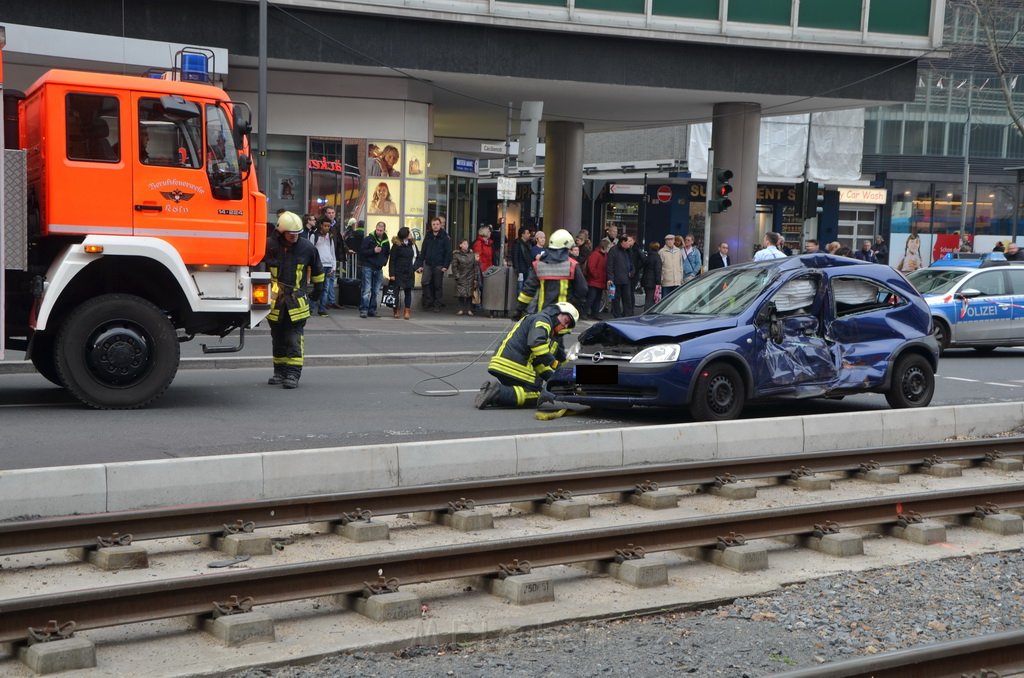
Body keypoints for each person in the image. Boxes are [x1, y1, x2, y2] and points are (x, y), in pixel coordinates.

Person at [474, 302, 579, 410]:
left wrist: (552, 378)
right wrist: (554, 363)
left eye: (568, 325)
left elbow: (538, 361)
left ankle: (495, 396)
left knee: (527, 390)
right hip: (513, 364)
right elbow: (537, 344)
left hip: (505, 363)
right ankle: (497, 391)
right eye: (566, 321)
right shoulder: (543, 320)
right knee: (536, 393)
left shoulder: (542, 323)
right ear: (557, 312)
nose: (565, 326)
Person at [262, 211, 324, 389]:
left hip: (297, 303)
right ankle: (279, 372)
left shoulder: (307, 248)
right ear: (281, 232)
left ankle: (293, 374)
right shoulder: (269, 245)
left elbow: (318, 271)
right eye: (291, 234)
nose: (294, 237)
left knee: (294, 338)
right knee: (278, 338)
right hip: (275, 302)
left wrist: (317, 291)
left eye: (297, 234)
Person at [515, 228, 588, 316]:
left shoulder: (539, 265)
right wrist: (572, 303)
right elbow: (582, 289)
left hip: (543, 314)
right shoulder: (572, 265)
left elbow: (528, 290)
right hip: (563, 316)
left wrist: (519, 310)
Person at [416, 216, 452, 312]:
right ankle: (429, 300)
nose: (435, 226)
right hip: (428, 263)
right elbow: (423, 251)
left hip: (439, 264)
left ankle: (437, 304)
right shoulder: (428, 236)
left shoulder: (445, 237)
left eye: (437, 224)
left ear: (440, 225)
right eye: (433, 224)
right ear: (431, 226)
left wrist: (445, 266)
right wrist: (420, 264)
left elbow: (448, 253)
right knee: (425, 282)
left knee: (437, 285)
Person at [358, 221, 390, 318]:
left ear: (384, 230)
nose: (379, 232)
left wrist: (383, 262)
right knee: (367, 289)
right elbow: (362, 252)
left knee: (375, 290)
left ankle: (372, 309)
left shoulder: (386, 241)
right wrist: (373, 251)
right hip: (368, 266)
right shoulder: (369, 239)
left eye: (381, 230)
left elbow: (387, 253)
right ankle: (364, 309)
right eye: (378, 230)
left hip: (378, 267)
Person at [309, 216, 338, 316]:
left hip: (328, 265)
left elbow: (332, 252)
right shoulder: (314, 236)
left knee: (325, 288)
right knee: (318, 288)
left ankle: (321, 309)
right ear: (321, 225)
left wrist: (334, 266)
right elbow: (311, 251)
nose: (327, 228)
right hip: (319, 265)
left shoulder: (330, 237)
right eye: (325, 226)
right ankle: (310, 307)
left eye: (329, 226)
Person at [388, 226, 417, 319]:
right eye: (409, 233)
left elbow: (417, 257)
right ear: (405, 235)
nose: (411, 234)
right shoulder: (396, 245)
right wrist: (391, 274)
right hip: (398, 271)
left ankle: (407, 311)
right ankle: (395, 310)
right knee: (395, 292)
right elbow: (392, 260)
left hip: (409, 271)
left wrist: (416, 267)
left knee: (408, 291)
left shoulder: (412, 244)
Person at [606, 235, 636, 317]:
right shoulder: (613, 250)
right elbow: (610, 265)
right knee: (616, 299)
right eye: (628, 242)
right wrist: (610, 278)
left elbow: (631, 264)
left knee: (627, 299)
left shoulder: (628, 251)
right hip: (616, 279)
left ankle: (627, 314)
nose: (629, 244)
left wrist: (632, 272)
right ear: (623, 242)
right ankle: (617, 315)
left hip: (626, 278)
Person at [584, 237, 610, 320]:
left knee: (597, 298)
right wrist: (596, 275)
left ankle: (594, 313)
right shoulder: (596, 254)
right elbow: (591, 267)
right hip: (595, 280)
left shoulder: (603, 255)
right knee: (591, 298)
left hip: (599, 280)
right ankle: (585, 312)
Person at [451, 239, 479, 316]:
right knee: (461, 293)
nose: (466, 245)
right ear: (460, 245)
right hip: (461, 275)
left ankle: (469, 309)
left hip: (470, 275)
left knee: (469, 293)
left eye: (467, 244)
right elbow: (454, 266)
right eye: (464, 244)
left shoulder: (472, 254)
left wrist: (475, 277)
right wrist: (457, 275)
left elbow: (475, 267)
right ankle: (461, 309)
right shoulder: (456, 255)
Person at [641, 242, 663, 311]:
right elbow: (658, 270)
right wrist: (658, 282)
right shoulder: (657, 257)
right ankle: (647, 313)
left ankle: (646, 312)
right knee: (650, 300)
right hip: (653, 281)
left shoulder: (647, 257)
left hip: (646, 280)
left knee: (648, 298)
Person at [511, 227, 534, 292]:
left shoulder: (529, 243)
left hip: (528, 267)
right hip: (521, 269)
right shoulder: (517, 243)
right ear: (522, 234)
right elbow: (515, 256)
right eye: (527, 233)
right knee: (520, 286)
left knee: (527, 286)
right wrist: (517, 269)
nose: (529, 235)